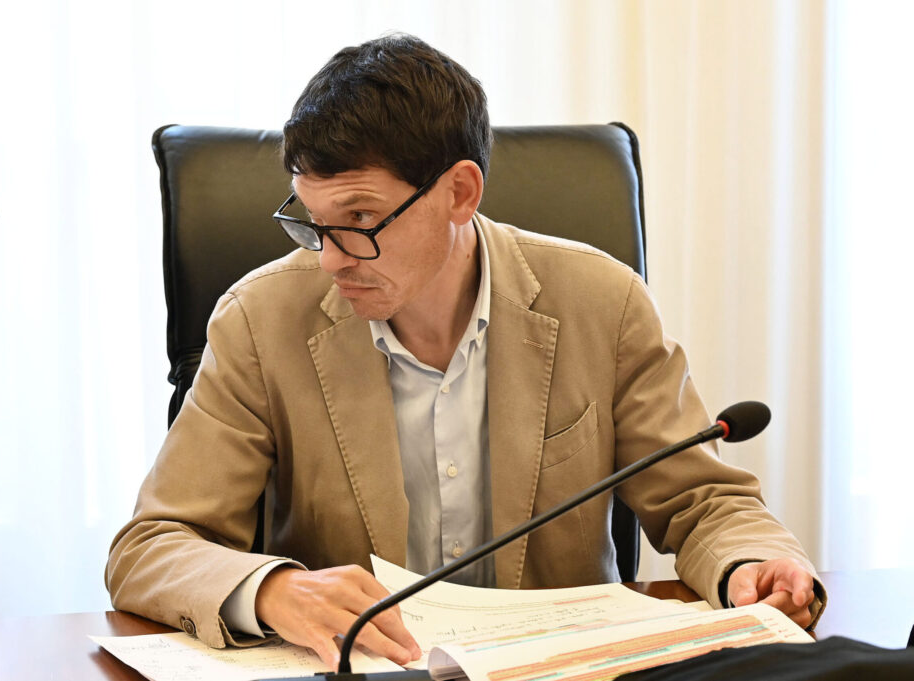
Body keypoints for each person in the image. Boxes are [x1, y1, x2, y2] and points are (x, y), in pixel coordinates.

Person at [107, 33, 824, 669]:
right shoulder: (261, 321)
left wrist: (752, 563)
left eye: (359, 218)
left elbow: (701, 501)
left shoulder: (602, 304)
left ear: (459, 192)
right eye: (312, 222)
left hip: (553, 668)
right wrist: (274, 590)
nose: (330, 259)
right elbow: (152, 546)